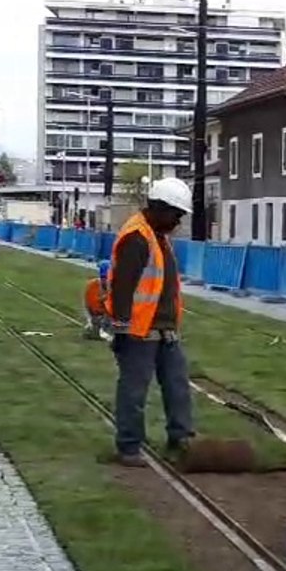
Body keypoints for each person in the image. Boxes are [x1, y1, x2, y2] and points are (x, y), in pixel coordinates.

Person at [105, 178, 195, 468]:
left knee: (178, 386)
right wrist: (121, 329)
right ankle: (129, 447)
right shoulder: (136, 237)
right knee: (133, 391)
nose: (179, 221)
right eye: (176, 214)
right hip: (139, 333)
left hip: (166, 330)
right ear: (159, 208)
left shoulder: (159, 236)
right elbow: (122, 286)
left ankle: (180, 440)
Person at [82, 260, 111, 340]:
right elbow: (89, 306)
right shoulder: (92, 286)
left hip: (109, 316)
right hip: (96, 314)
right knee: (92, 331)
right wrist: (90, 320)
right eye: (105, 278)